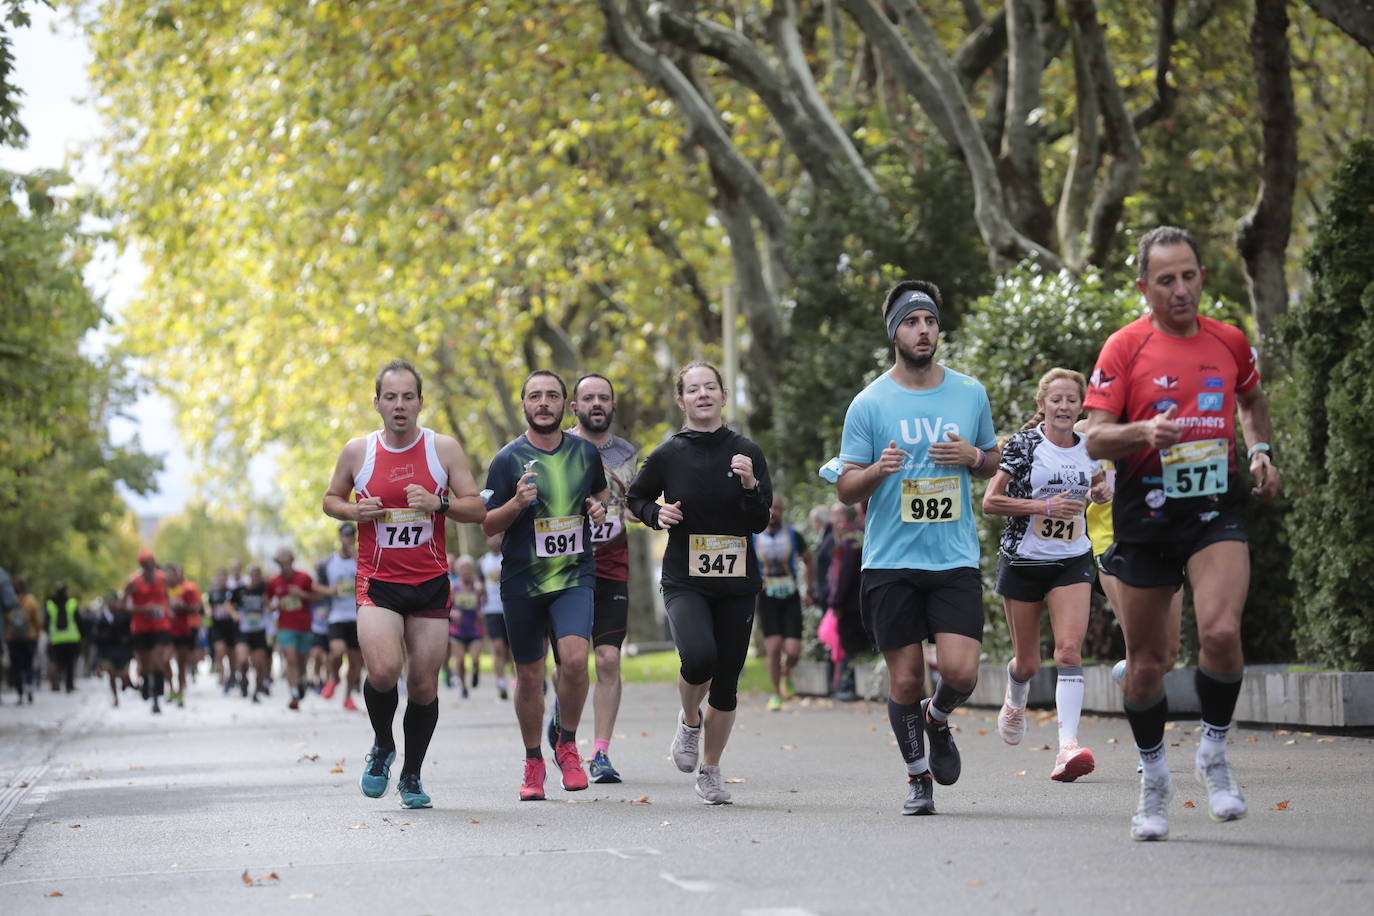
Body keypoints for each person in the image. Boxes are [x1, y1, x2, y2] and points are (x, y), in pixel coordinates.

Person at [1083, 226, 1281, 841]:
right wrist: (1142, 434)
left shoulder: (1228, 341)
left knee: (1221, 631)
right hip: (1145, 517)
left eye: (1189, 275)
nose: (1180, 289)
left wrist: (1261, 451)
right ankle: (1154, 775)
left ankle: (1214, 754)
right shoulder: (1125, 347)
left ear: (1201, 276)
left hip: (1214, 509)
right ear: (1144, 287)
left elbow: (1251, 402)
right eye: (1165, 280)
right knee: (1148, 666)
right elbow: (1093, 435)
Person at [834, 280, 999, 816]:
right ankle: (916, 778)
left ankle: (939, 717)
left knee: (961, 672)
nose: (923, 330)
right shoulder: (869, 402)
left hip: (953, 557)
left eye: (929, 320)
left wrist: (974, 456)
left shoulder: (969, 392)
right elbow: (845, 485)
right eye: (911, 322)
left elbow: (995, 461)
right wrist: (877, 471)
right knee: (905, 676)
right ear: (894, 333)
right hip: (890, 561)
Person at [323, 359, 485, 809]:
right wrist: (354, 512)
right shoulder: (358, 452)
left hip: (430, 583)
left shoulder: (443, 449)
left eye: (407, 397)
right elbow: (330, 500)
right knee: (381, 671)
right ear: (376, 403)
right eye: (390, 397)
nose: (399, 405)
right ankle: (382, 746)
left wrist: (439, 503)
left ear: (420, 402)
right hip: (379, 582)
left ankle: (411, 774)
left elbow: (477, 509)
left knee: (423, 686)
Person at [626, 361, 772, 805]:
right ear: (681, 400)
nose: (703, 394)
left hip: (736, 580)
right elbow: (635, 497)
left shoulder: (747, 451)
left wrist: (749, 484)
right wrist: (657, 514)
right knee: (699, 657)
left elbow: (761, 520)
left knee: (726, 680)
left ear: (724, 396)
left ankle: (710, 771)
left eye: (711, 387)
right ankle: (689, 720)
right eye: (693, 389)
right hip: (685, 578)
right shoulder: (668, 454)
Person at [481, 369, 608, 801]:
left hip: (574, 574)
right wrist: (516, 503)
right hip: (523, 581)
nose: (544, 403)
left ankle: (567, 744)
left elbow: (601, 495)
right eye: (535, 396)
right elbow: (487, 524)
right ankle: (533, 760)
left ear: (564, 404)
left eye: (552, 395)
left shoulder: (585, 454)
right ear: (524, 404)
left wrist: (597, 507)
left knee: (574, 661)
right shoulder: (506, 460)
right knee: (530, 676)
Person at [983, 368, 1110, 782]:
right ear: (1042, 405)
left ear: (1080, 406)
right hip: (1024, 560)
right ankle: (1015, 693)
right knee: (1029, 661)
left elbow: (1098, 485)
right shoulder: (1023, 445)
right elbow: (991, 501)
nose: (1064, 406)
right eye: (1056, 399)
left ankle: (1067, 747)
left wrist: (1103, 491)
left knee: (1069, 652)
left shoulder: (1089, 445)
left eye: (1072, 400)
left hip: (1072, 558)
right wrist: (1043, 507)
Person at [563, 372, 639, 783]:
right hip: (565, 567)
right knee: (571, 664)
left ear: (612, 405)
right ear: (574, 407)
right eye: (588, 398)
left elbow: (631, 504)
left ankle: (601, 753)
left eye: (603, 398)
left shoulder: (627, 453)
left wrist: (654, 512)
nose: (596, 403)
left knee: (608, 658)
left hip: (612, 564)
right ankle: (565, 720)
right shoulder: (558, 447)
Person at [753, 494, 813, 711]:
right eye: (769, 508)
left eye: (777, 508)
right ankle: (776, 693)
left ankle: (787, 670)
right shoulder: (753, 535)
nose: (773, 512)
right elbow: (745, 561)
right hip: (767, 596)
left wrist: (810, 589)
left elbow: (808, 559)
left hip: (790, 595)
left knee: (793, 650)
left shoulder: (793, 535)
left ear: (782, 511)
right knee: (774, 648)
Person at [319, 523, 363, 711]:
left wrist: (358, 560)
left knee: (355, 661)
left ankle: (347, 696)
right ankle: (334, 678)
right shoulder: (328, 563)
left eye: (351, 536)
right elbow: (316, 585)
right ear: (339, 538)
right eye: (345, 536)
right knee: (337, 651)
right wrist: (329, 591)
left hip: (358, 616)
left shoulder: (361, 560)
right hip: (336, 615)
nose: (348, 540)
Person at [826, 502, 868, 701]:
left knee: (850, 646)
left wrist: (836, 602)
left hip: (851, 603)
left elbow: (844, 574)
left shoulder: (849, 541)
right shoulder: (864, 535)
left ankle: (848, 686)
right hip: (866, 599)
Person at [124, 549, 173, 715]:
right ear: (141, 566)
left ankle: (157, 696)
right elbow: (125, 606)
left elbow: (170, 595)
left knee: (157, 661)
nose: (149, 567)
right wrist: (144, 608)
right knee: (145, 665)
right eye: (145, 565)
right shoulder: (133, 582)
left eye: (151, 564)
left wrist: (169, 608)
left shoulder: (163, 579)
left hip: (160, 627)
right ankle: (146, 682)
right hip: (141, 628)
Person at [267, 549, 317, 711]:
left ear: (292, 562)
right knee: (290, 658)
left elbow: (317, 597)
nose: (285, 566)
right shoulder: (273, 582)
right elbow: (267, 599)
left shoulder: (304, 578)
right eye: (281, 563)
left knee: (302, 660)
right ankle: (294, 693)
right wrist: (271, 606)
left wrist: (301, 594)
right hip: (285, 626)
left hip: (304, 626)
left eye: (287, 562)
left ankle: (301, 680)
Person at [478, 533, 511, 700]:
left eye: (498, 537)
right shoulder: (483, 562)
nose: (494, 540)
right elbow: (479, 584)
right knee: (497, 648)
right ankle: (500, 683)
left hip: (510, 607)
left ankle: (516, 680)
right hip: (491, 610)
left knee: (511, 651)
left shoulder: (510, 556)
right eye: (491, 537)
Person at [165, 564, 203, 707]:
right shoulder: (162, 589)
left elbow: (197, 607)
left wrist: (183, 606)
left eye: (171, 573)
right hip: (166, 630)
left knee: (181, 662)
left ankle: (180, 691)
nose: (169, 577)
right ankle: (170, 687)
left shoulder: (188, 588)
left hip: (183, 629)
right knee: (164, 659)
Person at [232, 565, 272, 702]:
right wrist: (234, 614)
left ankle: (256, 691)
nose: (255, 577)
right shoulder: (240, 590)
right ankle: (244, 680)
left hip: (259, 631)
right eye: (253, 574)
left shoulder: (264, 590)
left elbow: (271, 603)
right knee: (243, 660)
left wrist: (269, 606)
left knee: (260, 664)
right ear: (249, 575)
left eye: (258, 575)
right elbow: (228, 603)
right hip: (243, 631)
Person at [446, 554, 483, 699]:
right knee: (459, 661)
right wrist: (452, 612)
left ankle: (475, 671)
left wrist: (481, 611)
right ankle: (463, 686)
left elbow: (484, 603)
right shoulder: (453, 587)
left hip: (474, 629)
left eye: (468, 569)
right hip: (458, 630)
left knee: (474, 659)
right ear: (458, 571)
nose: (466, 571)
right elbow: (446, 605)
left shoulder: (477, 586)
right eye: (463, 569)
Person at [92, 593, 133, 707]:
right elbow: (96, 636)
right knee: (111, 674)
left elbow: (131, 632)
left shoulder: (124, 616)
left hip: (123, 651)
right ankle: (115, 697)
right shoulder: (102, 618)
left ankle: (125, 681)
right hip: (108, 650)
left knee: (121, 673)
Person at [7, 576, 41, 703]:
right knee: (28, 665)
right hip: (29, 638)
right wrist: (37, 634)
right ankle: (29, 687)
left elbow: (5, 620)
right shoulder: (30, 600)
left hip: (13, 638)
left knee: (16, 667)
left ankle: (20, 692)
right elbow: (37, 620)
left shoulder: (8, 602)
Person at [45, 582, 83, 694]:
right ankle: (69, 685)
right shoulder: (72, 602)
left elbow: (46, 622)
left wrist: (49, 634)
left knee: (56, 662)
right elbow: (79, 620)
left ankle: (55, 683)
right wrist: (83, 635)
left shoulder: (50, 603)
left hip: (56, 638)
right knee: (70, 663)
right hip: (71, 638)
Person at [206, 570, 239, 693]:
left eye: (223, 577)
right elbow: (208, 606)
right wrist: (209, 612)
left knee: (231, 654)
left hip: (230, 627)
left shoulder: (231, 592)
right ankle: (222, 677)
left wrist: (231, 610)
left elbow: (237, 606)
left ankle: (232, 675)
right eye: (219, 577)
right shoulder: (212, 593)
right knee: (220, 651)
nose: (221, 580)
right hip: (217, 626)